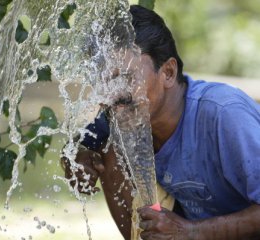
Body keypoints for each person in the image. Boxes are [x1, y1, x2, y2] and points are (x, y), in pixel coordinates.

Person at [62, 5, 260, 240]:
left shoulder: (223, 113)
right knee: (107, 149)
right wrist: (77, 159)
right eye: (104, 82)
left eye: (125, 77)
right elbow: (79, 145)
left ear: (167, 72)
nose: (110, 95)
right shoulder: (121, 111)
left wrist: (191, 232)